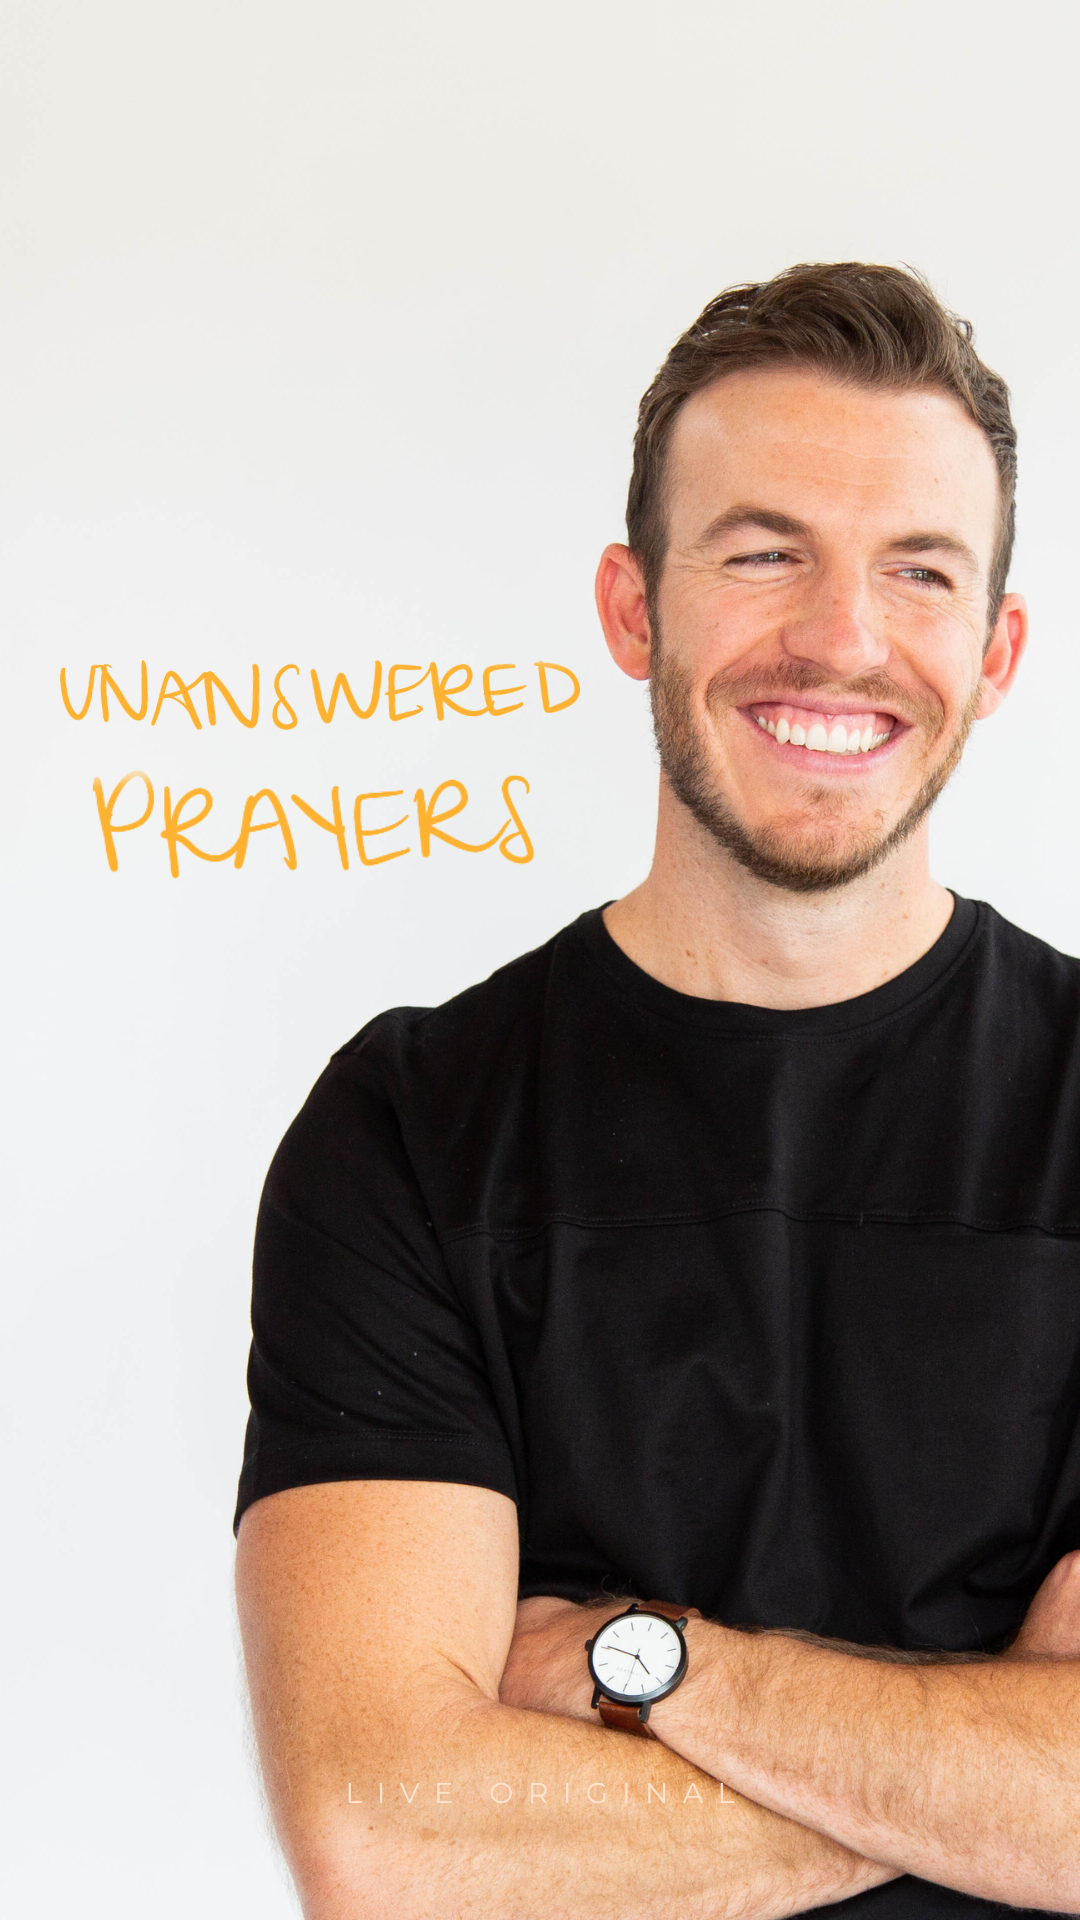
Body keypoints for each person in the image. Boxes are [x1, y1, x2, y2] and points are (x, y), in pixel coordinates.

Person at [234, 263, 1080, 1920]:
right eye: (764, 554)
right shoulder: (408, 1131)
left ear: (995, 652)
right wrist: (997, 1772)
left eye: (918, 572)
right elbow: (387, 1835)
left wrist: (646, 1664)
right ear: (634, 610)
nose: (843, 640)